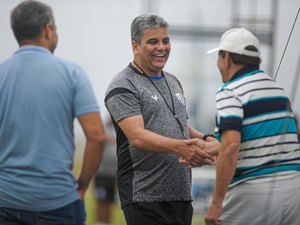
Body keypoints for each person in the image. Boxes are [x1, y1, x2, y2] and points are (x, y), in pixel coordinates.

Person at [104, 14, 219, 225]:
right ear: (135, 46)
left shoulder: (173, 81)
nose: (162, 47)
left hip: (182, 196)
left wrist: (206, 139)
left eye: (165, 41)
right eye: (153, 41)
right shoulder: (123, 84)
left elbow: (179, 125)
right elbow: (137, 137)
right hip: (145, 197)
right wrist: (182, 148)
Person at [0, 1, 105, 225]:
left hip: (5, 201)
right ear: (48, 30)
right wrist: (83, 184)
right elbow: (96, 136)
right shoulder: (72, 73)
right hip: (58, 202)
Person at [204, 27, 300, 225]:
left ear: (227, 58)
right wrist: (200, 144)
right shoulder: (278, 90)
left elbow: (230, 147)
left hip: (253, 191)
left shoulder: (230, 91)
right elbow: (249, 140)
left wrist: (216, 204)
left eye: (219, 57)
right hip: (294, 190)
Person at [94, 116, 118, 225]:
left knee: (110, 201)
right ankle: (101, 223)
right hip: (102, 173)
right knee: (102, 201)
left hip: (115, 174)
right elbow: (99, 138)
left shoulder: (119, 130)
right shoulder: (104, 129)